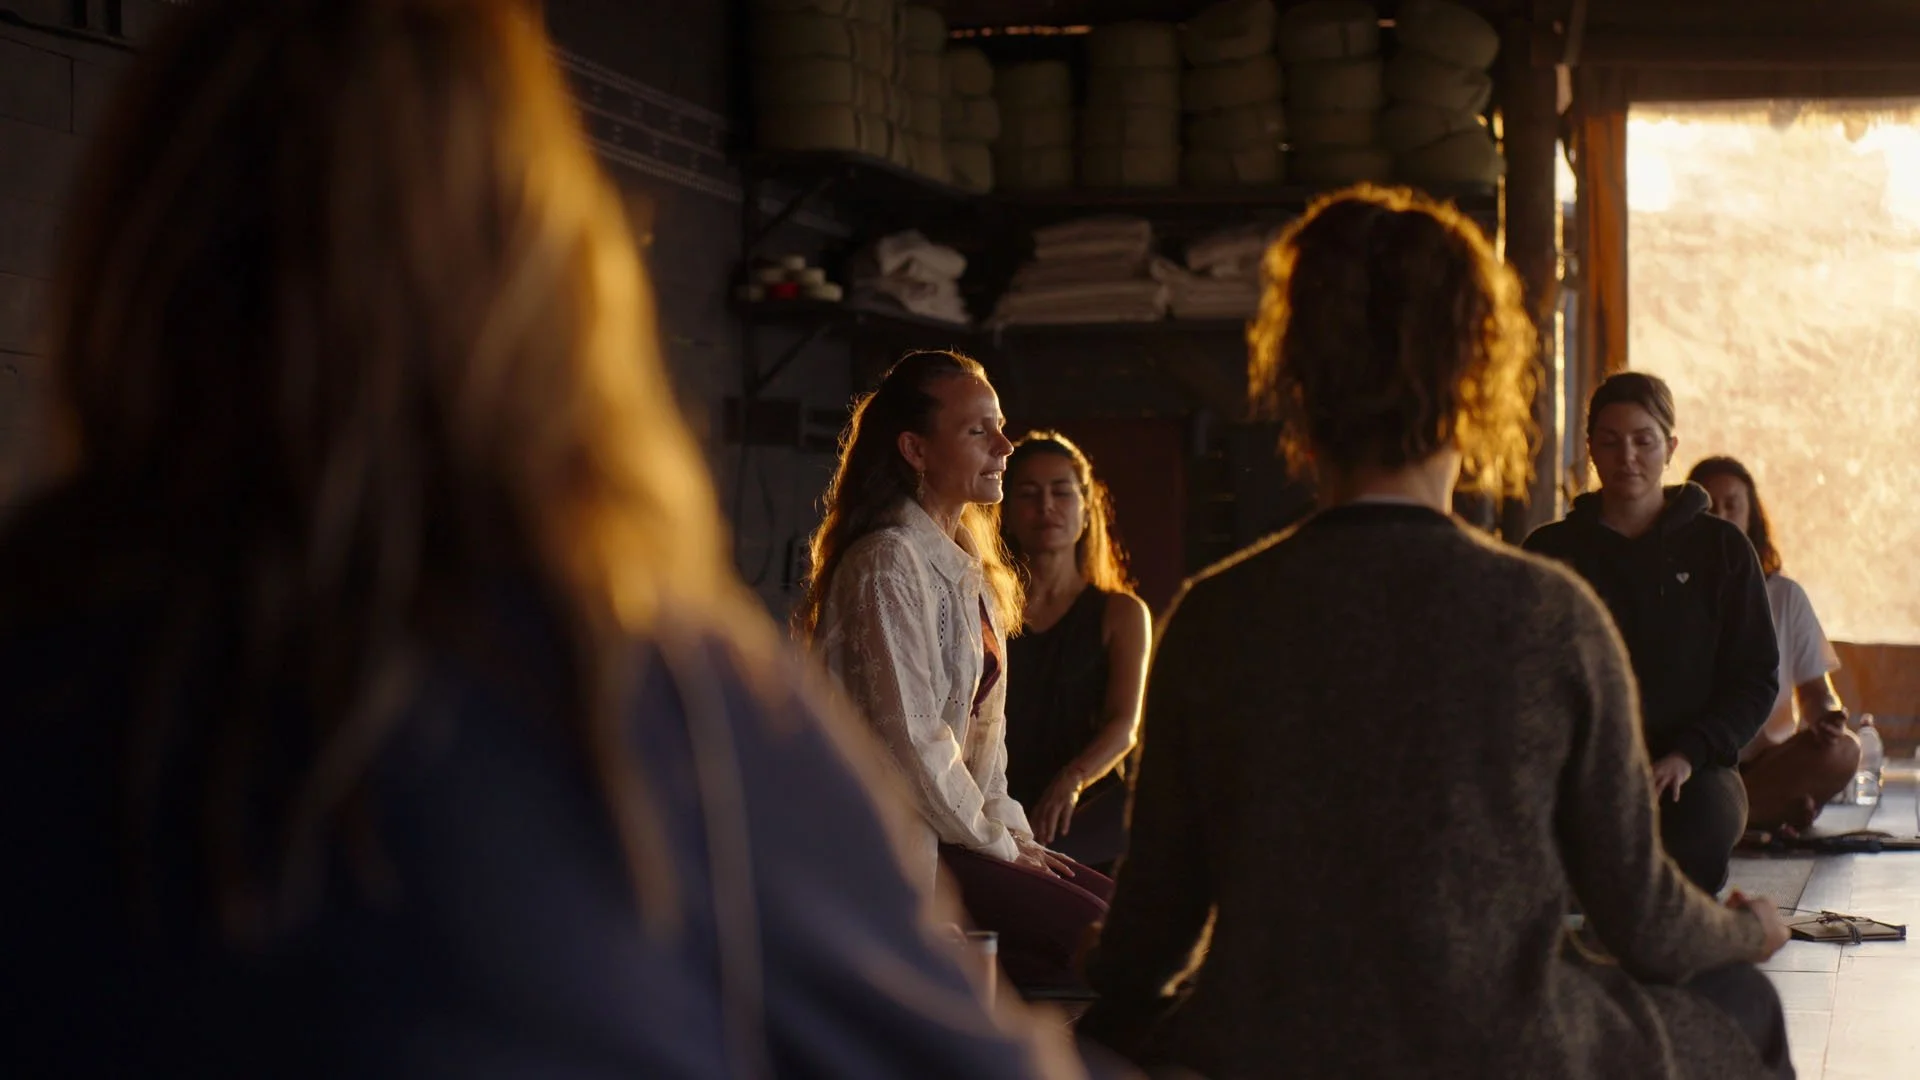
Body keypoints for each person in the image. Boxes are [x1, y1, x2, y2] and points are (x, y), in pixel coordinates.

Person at [0, 2, 1098, 1077]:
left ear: (128, 257)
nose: (1006, 455)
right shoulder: (665, 709)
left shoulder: (41, 655)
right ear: (547, 280)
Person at [1078, 186, 1793, 1079]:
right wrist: (1746, 928)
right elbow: (1645, 923)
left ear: (1296, 386)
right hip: (1500, 1051)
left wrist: (1091, 960)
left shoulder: (1214, 615)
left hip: (1269, 1052)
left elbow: (1147, 942)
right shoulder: (1550, 611)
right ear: (1480, 385)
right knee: (1744, 1003)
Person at [797, 350, 1114, 992]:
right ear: (915, 450)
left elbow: (986, 747)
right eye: (978, 431)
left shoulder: (970, 567)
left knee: (1125, 920)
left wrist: (1014, 836)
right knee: (1103, 946)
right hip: (903, 844)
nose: (1005, 446)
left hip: (961, 835)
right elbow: (913, 746)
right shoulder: (887, 563)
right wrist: (998, 844)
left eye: (1000, 426)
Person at [1524, 373, 1779, 894]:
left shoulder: (1722, 549)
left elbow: (1756, 678)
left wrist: (1688, 753)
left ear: (1670, 447)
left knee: (1698, 829)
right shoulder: (1551, 552)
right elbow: (1524, 677)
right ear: (1590, 449)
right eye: (1610, 442)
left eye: (1644, 441)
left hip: (1693, 767)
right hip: (1579, 763)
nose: (1628, 458)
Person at [998, 432, 1152, 872]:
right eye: (1028, 493)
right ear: (1006, 512)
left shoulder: (1121, 612)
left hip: (1083, 811)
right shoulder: (984, 605)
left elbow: (1124, 725)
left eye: (1061, 492)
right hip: (995, 807)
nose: (1045, 506)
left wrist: (1072, 779)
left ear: (1086, 508)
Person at [1689, 455, 1862, 833]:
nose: (1721, 517)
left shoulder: (1785, 597)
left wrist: (1826, 718)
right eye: (1709, 507)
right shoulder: (1674, 592)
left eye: (1732, 506)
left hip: (1768, 764)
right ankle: (1757, 814)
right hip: (1694, 761)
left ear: (1751, 517)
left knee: (1845, 750)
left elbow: (1815, 692)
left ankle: (1734, 819)